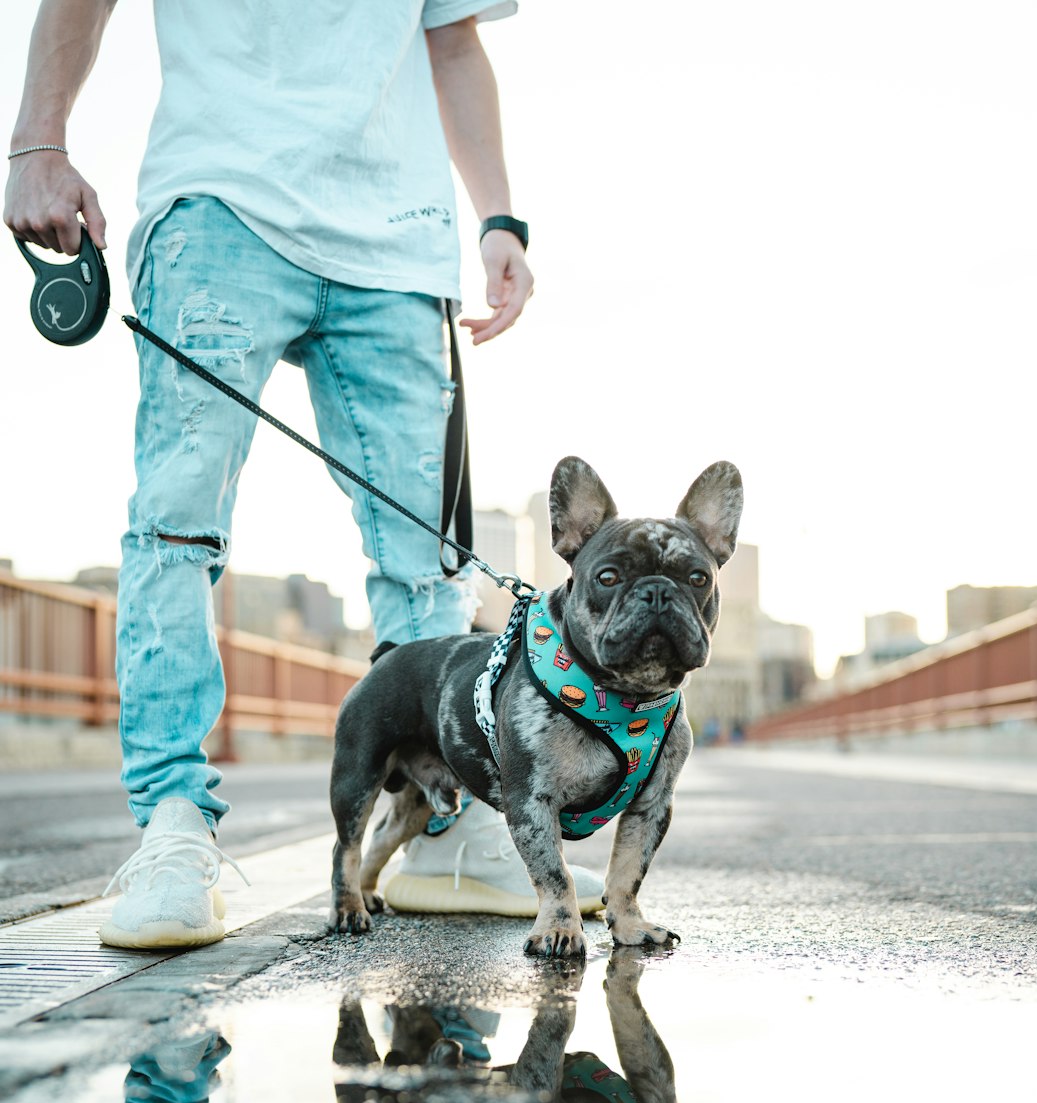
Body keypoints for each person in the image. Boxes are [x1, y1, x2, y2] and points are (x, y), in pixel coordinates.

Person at [5, 0, 602, 950]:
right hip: (220, 204)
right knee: (177, 526)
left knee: (428, 561)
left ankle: (442, 828)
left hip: (399, 242)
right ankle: (172, 829)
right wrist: (37, 141)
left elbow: (452, 37)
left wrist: (499, 215)